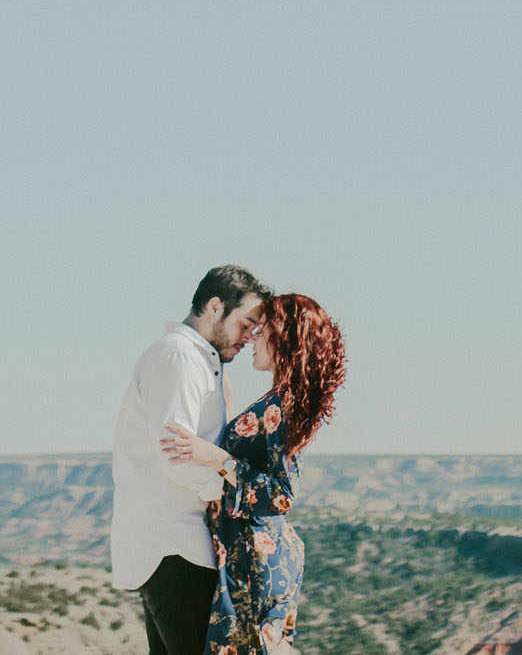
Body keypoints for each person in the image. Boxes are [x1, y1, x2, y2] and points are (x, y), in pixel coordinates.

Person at [161, 292, 348, 655]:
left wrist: (216, 457)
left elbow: (281, 494)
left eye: (262, 330)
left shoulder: (281, 405)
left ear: (286, 339)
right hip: (249, 554)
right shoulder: (276, 400)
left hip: (255, 560)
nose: (253, 338)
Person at [113, 266, 272, 655]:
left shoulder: (196, 359)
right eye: (246, 323)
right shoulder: (180, 358)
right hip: (174, 544)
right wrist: (232, 488)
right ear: (215, 306)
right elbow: (176, 457)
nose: (250, 336)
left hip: (175, 542)